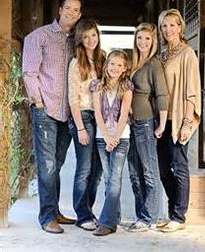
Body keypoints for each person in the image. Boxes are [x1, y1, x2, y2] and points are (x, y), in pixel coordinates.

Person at [22, 0, 82, 234]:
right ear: (60, 10)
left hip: (67, 113)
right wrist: (38, 102)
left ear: (79, 15)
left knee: (56, 164)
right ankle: (47, 217)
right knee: (47, 166)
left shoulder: (75, 40)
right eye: (68, 8)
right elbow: (29, 72)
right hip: (46, 109)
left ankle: (54, 210)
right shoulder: (40, 36)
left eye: (76, 10)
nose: (71, 12)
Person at [157, 8, 201, 232]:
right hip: (162, 119)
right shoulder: (162, 54)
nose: (168, 29)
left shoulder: (187, 54)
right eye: (164, 25)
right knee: (164, 169)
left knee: (179, 166)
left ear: (180, 27)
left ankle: (179, 217)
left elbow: (192, 90)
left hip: (178, 118)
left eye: (172, 24)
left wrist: (186, 122)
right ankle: (173, 210)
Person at [127, 23, 169, 232]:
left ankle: (149, 217)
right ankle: (141, 215)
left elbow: (162, 94)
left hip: (145, 123)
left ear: (153, 41)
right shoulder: (134, 62)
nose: (143, 42)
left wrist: (161, 123)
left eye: (147, 39)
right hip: (131, 125)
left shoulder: (154, 64)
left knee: (149, 172)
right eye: (140, 38)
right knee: (134, 173)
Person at [90, 50, 133, 236]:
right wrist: (107, 136)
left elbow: (124, 114)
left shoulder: (127, 86)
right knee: (108, 179)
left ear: (124, 69)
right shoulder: (97, 86)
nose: (115, 68)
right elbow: (97, 113)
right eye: (112, 64)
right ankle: (114, 216)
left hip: (121, 137)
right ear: (106, 65)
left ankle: (107, 222)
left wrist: (115, 137)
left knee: (115, 178)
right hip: (102, 137)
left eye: (119, 65)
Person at [68, 19, 106, 231]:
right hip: (83, 116)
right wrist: (80, 127)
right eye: (86, 37)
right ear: (80, 40)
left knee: (98, 169)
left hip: (101, 117)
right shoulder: (76, 63)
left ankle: (88, 210)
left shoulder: (103, 58)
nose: (91, 40)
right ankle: (82, 215)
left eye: (93, 35)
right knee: (84, 168)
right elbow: (73, 99)